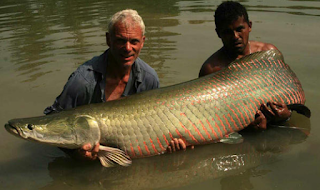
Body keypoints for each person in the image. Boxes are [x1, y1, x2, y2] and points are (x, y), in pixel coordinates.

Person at [44, 9, 183, 160]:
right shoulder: (82, 81)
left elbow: (156, 124)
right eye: (121, 41)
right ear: (108, 40)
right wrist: (77, 153)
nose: (128, 48)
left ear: (142, 42)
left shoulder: (149, 78)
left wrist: (169, 144)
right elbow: (52, 121)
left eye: (134, 41)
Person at [199, 1, 291, 129]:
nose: (235, 36)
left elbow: (286, 92)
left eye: (239, 29)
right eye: (227, 32)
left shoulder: (269, 54)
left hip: (276, 122)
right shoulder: (211, 69)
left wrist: (287, 114)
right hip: (242, 127)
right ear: (218, 33)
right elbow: (210, 116)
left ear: (250, 26)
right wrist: (246, 127)